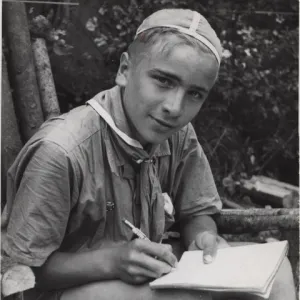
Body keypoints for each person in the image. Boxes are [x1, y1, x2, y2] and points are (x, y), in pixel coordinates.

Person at [2, 8, 296, 300]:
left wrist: (202, 237)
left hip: (141, 273)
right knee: (184, 298)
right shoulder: (61, 151)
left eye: (195, 93)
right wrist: (113, 261)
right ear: (125, 70)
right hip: (59, 290)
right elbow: (17, 271)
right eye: (163, 81)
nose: (175, 107)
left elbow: (197, 210)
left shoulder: (176, 132)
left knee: (276, 273)